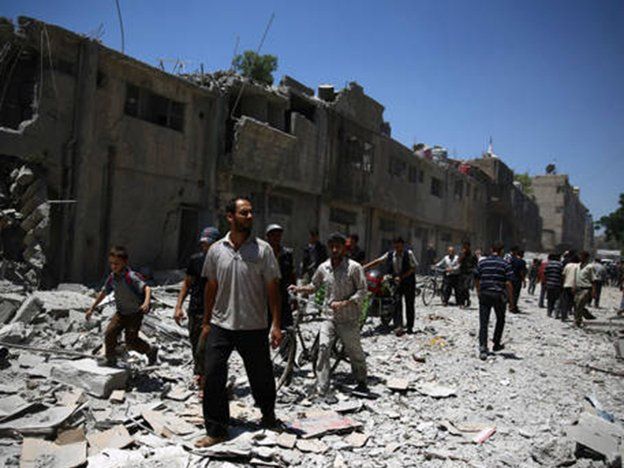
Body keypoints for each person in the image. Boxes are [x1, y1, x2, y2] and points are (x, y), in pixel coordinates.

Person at [195, 197, 282, 448]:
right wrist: (206, 321)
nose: (250, 216)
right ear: (230, 217)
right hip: (221, 324)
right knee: (213, 375)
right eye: (244, 213)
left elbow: (273, 288)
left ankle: (268, 415)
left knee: (261, 376)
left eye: (252, 212)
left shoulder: (263, 250)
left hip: (253, 325)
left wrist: (276, 324)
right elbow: (211, 286)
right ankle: (216, 430)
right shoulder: (216, 250)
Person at [290, 232, 368, 396]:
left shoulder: (354, 268)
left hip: (348, 318)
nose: (334, 250)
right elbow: (314, 286)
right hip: (329, 317)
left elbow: (362, 291)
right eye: (332, 246)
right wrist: (299, 288)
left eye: (338, 247)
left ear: (344, 249)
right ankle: (322, 386)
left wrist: (345, 303)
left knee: (354, 351)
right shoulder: (323, 267)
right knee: (323, 348)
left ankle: (361, 381)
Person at [86, 246, 157, 367]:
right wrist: (92, 308)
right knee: (110, 333)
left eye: (116, 264)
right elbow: (104, 292)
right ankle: (110, 359)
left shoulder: (131, 276)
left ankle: (150, 350)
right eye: (111, 263)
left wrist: (146, 302)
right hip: (121, 313)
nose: (113, 266)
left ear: (124, 262)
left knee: (131, 341)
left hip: (135, 314)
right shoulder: (112, 277)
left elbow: (147, 288)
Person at [174, 226, 220, 386]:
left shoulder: (223, 263)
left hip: (214, 312)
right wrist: (178, 306)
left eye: (209, 244)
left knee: (205, 347)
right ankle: (201, 375)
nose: (205, 247)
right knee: (196, 346)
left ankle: (207, 381)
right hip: (195, 309)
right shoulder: (196, 260)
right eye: (204, 244)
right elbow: (187, 284)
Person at [364, 237, 418, 334]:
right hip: (396, 283)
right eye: (395, 245)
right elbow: (378, 261)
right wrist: (365, 267)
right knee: (397, 303)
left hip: (408, 282)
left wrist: (401, 277)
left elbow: (413, 268)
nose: (397, 247)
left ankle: (410, 327)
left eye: (399, 245)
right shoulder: (390, 254)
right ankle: (399, 326)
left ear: (402, 245)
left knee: (409, 304)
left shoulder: (409, 254)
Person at [474, 241, 515, 360]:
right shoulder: (505, 264)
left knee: (484, 322)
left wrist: (478, 292)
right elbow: (508, 284)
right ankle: (496, 343)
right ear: (502, 251)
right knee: (500, 319)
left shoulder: (482, 263)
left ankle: (483, 347)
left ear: (491, 249)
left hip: (485, 294)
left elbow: (476, 278)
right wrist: (511, 302)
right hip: (499, 295)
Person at [265, 224, 296, 328]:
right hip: (266, 296)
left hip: (283, 294)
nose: (276, 238)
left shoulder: (287, 254)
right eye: (273, 235)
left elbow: (292, 275)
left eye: (278, 235)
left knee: (286, 327)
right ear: (268, 237)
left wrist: (294, 296)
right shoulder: (263, 254)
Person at [573, 251, 596, 328]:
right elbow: (575, 277)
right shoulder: (577, 266)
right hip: (578, 288)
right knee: (576, 305)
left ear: (586, 258)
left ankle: (577, 321)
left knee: (580, 304)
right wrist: (573, 286)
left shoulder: (590, 267)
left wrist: (593, 291)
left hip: (586, 289)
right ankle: (585, 315)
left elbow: (593, 280)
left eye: (582, 256)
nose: (580, 258)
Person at [458, 241, 478, 308]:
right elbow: (459, 261)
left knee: (465, 287)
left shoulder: (473, 255)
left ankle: (465, 300)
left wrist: (473, 270)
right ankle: (463, 301)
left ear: (469, 247)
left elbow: (476, 264)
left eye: (466, 247)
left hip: (469, 274)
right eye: (464, 247)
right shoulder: (461, 254)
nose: (465, 248)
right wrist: (462, 256)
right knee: (461, 288)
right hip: (462, 272)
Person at [560, 253, 580, 321]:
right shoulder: (579, 266)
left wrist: (563, 284)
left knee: (565, 301)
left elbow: (563, 275)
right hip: (576, 286)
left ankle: (563, 316)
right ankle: (576, 317)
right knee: (575, 302)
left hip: (567, 285)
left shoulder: (567, 265)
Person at [508, 247, 527, 313]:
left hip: (510, 278)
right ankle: (513, 307)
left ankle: (510, 305)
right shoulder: (522, 262)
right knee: (516, 294)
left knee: (511, 293)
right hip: (517, 279)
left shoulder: (512, 260)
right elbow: (522, 272)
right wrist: (524, 280)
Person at [544, 253, 563, 318]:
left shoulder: (548, 264)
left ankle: (549, 312)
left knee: (550, 299)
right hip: (557, 284)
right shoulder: (560, 264)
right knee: (557, 298)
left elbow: (545, 273)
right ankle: (556, 313)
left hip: (549, 284)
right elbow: (562, 274)